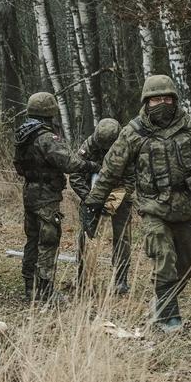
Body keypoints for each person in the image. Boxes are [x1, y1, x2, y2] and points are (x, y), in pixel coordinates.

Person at [84, 75, 191, 330]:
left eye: (167, 98)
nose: (163, 103)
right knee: (163, 256)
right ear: (147, 102)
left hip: (185, 207)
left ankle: (163, 300)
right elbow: (110, 171)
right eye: (157, 99)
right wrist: (93, 203)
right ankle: (169, 317)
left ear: (175, 99)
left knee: (187, 262)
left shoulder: (190, 128)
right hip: (153, 207)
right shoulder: (133, 133)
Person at [13, 91, 97, 303]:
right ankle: (45, 290)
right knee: (48, 241)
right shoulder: (46, 137)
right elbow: (69, 163)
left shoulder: (24, 134)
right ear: (50, 112)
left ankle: (29, 288)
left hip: (30, 192)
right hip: (46, 195)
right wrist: (91, 165)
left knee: (32, 240)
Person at [69, 118, 132, 293]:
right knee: (86, 236)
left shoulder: (127, 146)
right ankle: (83, 279)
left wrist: (116, 199)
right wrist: (89, 198)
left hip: (120, 194)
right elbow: (75, 174)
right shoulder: (88, 145)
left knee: (122, 237)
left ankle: (120, 280)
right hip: (91, 194)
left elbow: (132, 177)